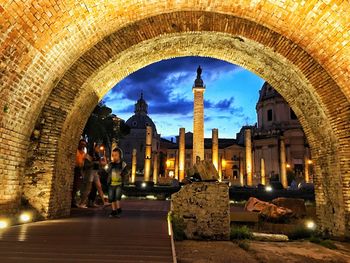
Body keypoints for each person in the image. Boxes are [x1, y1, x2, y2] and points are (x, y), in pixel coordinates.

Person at [79, 144, 109, 208]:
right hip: (90, 172)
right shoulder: (89, 155)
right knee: (88, 188)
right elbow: (86, 165)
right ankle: (82, 203)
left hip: (95, 172)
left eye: (99, 148)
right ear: (94, 148)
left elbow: (102, 164)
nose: (98, 149)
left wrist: (104, 160)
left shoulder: (97, 155)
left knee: (99, 187)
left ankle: (104, 202)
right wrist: (93, 163)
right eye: (97, 147)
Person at [106, 147, 128, 218]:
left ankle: (118, 208)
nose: (114, 157)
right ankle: (114, 210)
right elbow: (106, 171)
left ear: (120, 156)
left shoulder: (123, 164)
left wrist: (124, 176)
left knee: (117, 197)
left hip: (119, 183)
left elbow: (126, 172)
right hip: (111, 183)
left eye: (116, 155)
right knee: (111, 198)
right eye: (113, 155)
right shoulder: (111, 164)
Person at [72, 139, 87, 208]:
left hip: (79, 170)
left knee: (77, 185)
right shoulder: (76, 151)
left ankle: (73, 200)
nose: (82, 145)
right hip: (74, 169)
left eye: (84, 144)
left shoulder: (84, 153)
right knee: (74, 185)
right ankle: (72, 201)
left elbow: (83, 161)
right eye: (81, 144)